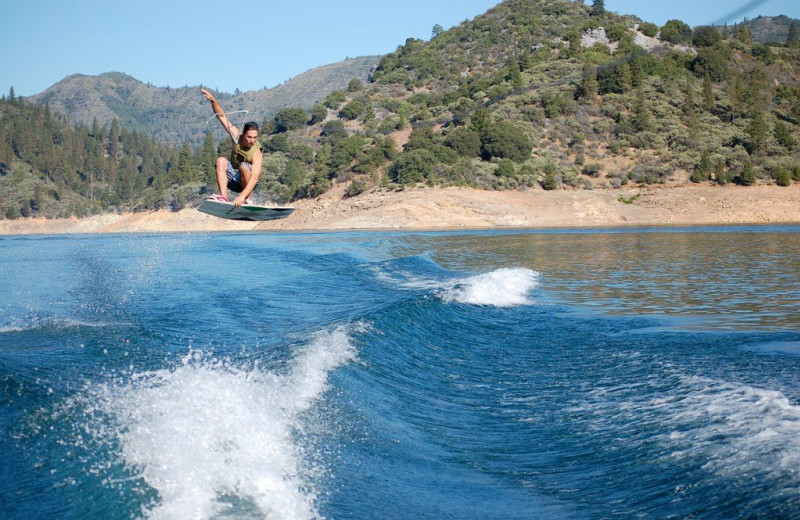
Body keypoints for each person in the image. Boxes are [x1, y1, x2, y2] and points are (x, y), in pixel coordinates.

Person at [200, 88, 263, 206]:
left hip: (248, 184)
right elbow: (222, 117)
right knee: (220, 161)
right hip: (233, 179)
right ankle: (223, 197)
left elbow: (254, 178)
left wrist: (241, 196)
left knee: (244, 166)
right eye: (249, 137)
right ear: (243, 134)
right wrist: (213, 100)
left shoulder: (256, 153)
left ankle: (247, 200)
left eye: (255, 137)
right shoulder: (236, 136)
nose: (252, 140)